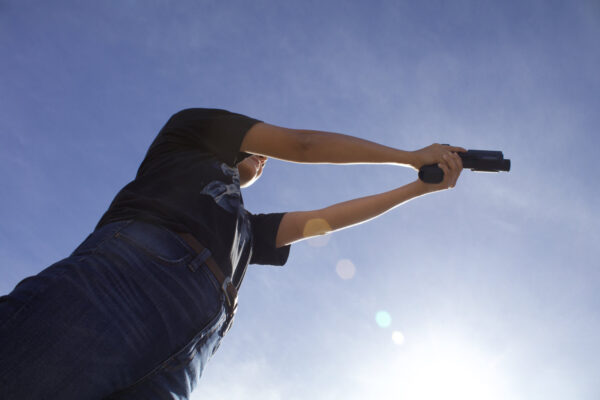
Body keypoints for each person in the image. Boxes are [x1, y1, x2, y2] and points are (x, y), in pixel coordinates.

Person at [0, 108, 465, 399]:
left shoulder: (244, 228)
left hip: (195, 345)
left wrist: (416, 189)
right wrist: (410, 155)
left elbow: (325, 218)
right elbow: (302, 144)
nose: (264, 159)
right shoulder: (188, 134)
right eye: (257, 150)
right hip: (132, 278)